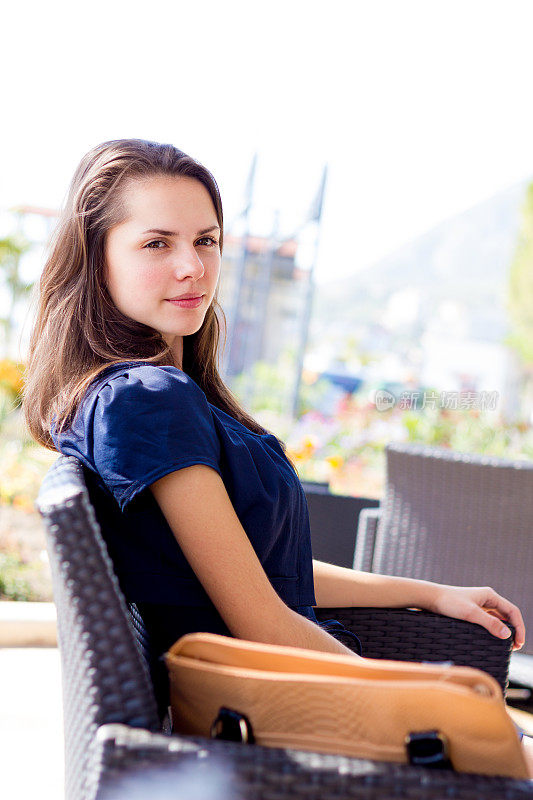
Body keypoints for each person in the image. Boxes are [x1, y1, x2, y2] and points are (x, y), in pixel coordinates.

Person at [22, 138, 532, 769]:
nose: (192, 267)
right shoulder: (148, 398)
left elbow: (250, 569)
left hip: (276, 700)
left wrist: (427, 594)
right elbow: (260, 618)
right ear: (96, 260)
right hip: (266, 722)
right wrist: (429, 708)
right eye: (157, 243)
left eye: (205, 240)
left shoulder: (153, 395)